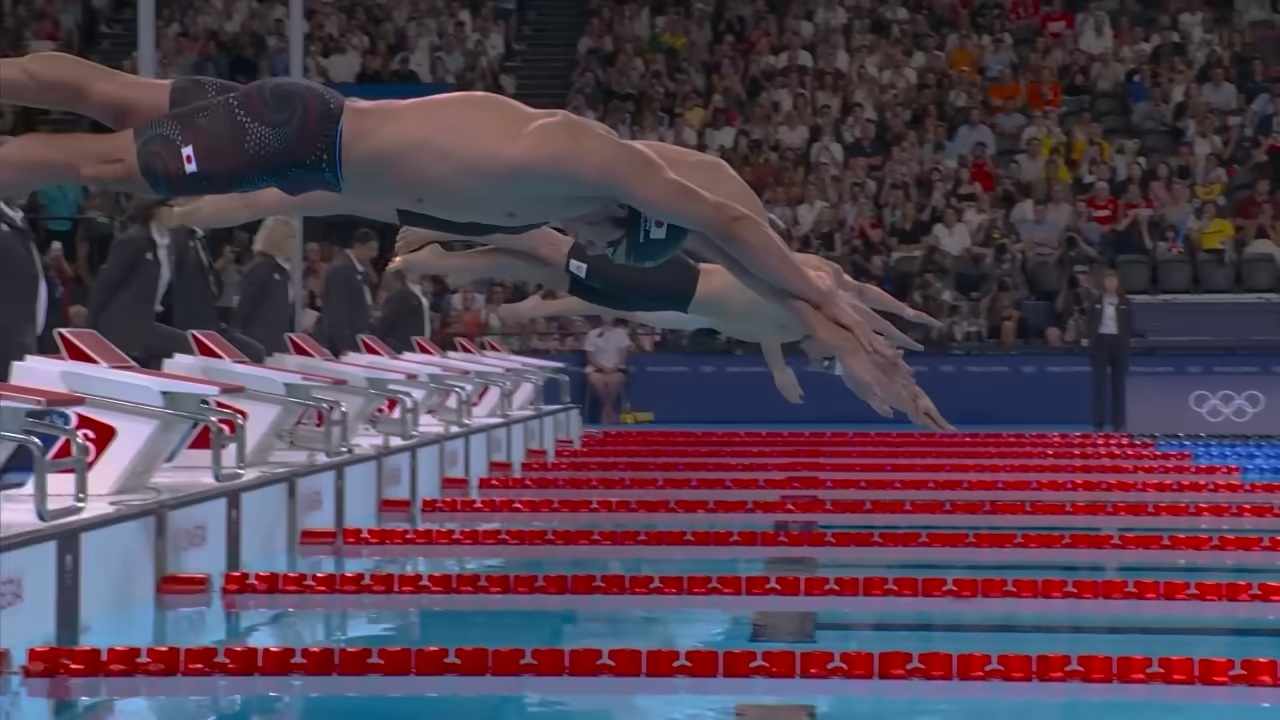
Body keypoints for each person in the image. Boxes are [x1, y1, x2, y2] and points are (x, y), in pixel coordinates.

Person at [0, 55, 894, 402]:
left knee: (105, 92)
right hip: (296, 132)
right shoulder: (581, 156)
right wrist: (830, 311)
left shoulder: (524, 201)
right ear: (626, 212)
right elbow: (725, 215)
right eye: (611, 241)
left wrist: (816, 325)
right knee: (97, 161)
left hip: (300, 135)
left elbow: (715, 228)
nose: (593, 248)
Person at [392, 236, 951, 430]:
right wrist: (896, 398)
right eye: (824, 359)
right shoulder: (807, 305)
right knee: (549, 254)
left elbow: (870, 330)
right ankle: (458, 246)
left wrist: (908, 343)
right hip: (668, 284)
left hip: (672, 297)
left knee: (562, 274)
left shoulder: (817, 290)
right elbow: (861, 354)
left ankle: (462, 262)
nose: (823, 357)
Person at [1085, 269, 1132, 431]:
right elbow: (1090, 321)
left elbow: (1129, 323)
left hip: (1118, 343)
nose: (1111, 283)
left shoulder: (1125, 302)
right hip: (1100, 341)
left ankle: (1118, 423)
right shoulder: (1096, 301)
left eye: (1114, 280)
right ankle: (1098, 423)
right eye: (1108, 280)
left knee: (1118, 384)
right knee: (1099, 385)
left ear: (1118, 283)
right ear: (1103, 283)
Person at [583, 317, 632, 424]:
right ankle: (609, 409)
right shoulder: (592, 334)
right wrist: (603, 367)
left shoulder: (621, 333)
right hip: (597, 368)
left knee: (614, 380)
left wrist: (613, 367)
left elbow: (623, 355)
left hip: (616, 368)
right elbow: (590, 356)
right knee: (596, 380)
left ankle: (606, 410)